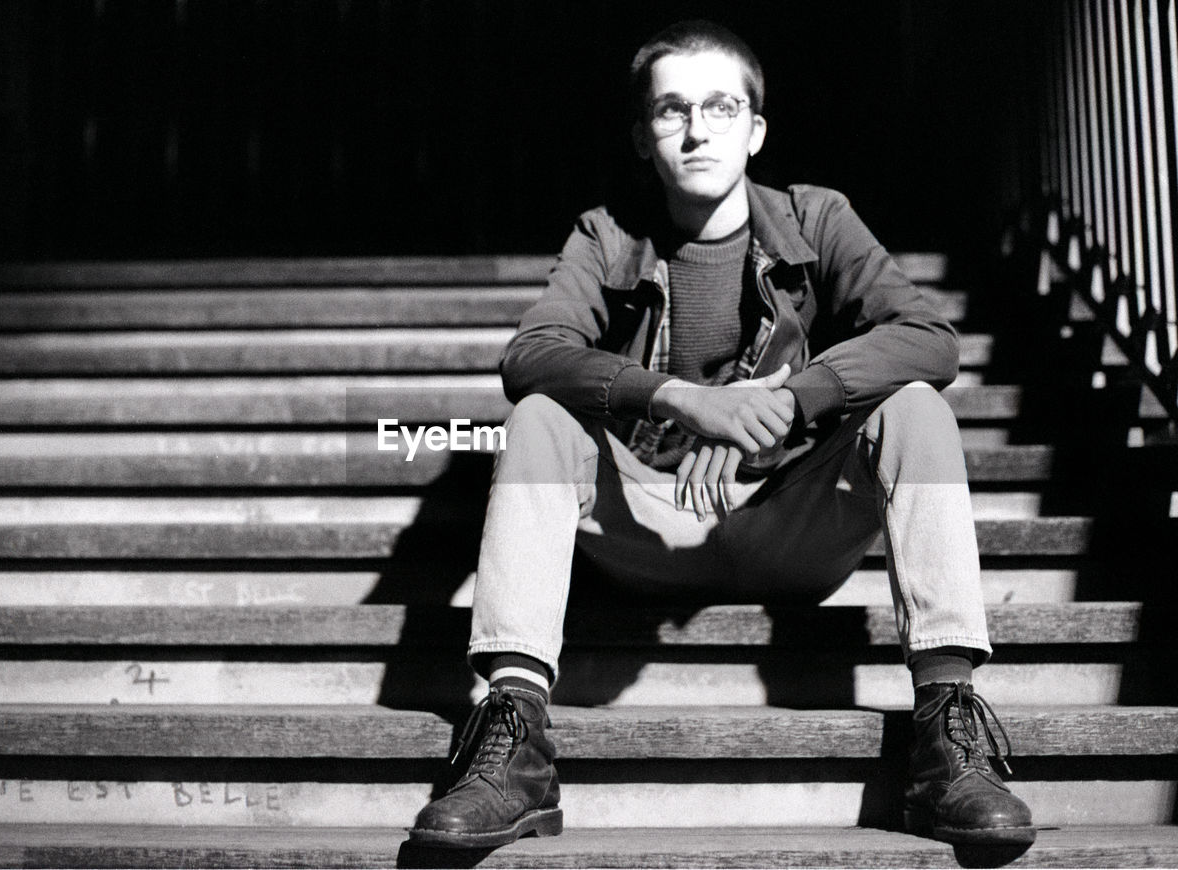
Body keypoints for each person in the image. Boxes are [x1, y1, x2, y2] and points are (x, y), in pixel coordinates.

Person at [408, 19, 1035, 849]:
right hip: (647, 526)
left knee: (917, 407)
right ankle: (514, 735)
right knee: (536, 418)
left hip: (788, 521)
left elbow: (929, 338)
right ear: (643, 134)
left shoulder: (816, 220)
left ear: (755, 128)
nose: (697, 129)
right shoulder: (609, 235)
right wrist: (680, 400)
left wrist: (789, 400)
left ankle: (947, 737)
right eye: (672, 111)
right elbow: (531, 355)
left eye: (720, 107)